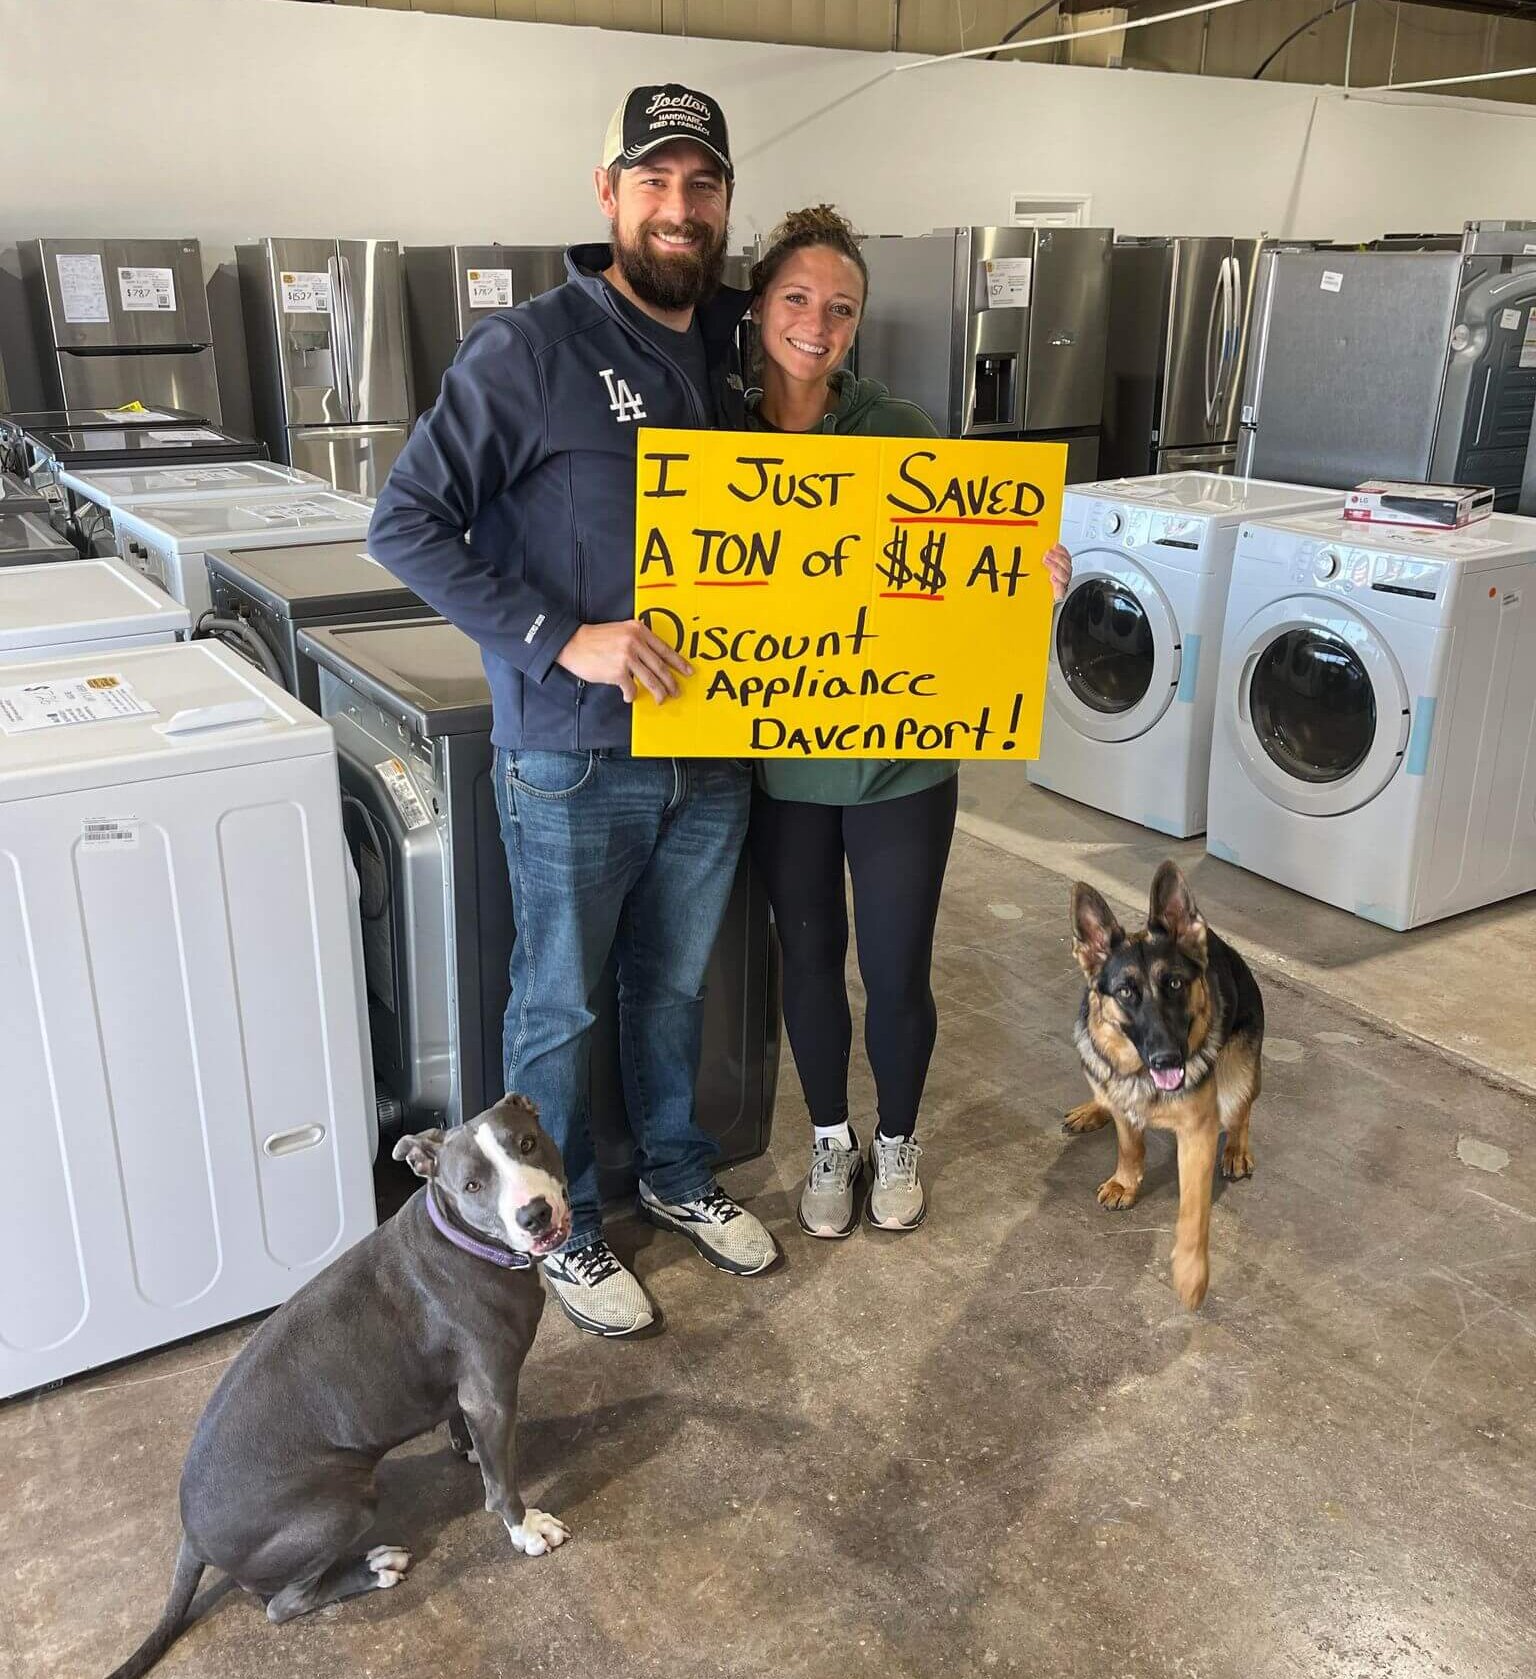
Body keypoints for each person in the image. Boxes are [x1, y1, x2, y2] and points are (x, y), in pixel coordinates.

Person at [367, 86, 777, 1341]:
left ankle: (676, 1167)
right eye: (653, 180)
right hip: (573, 756)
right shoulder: (530, 348)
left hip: (711, 746)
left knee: (673, 988)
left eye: (701, 183)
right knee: (561, 1004)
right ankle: (561, 1224)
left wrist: (997, 566)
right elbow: (405, 521)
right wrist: (564, 636)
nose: (679, 206)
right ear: (608, 194)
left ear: (724, 200)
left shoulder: (741, 348)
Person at [742, 206, 1073, 1239]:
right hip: (779, 767)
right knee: (807, 959)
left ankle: (896, 1138)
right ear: (759, 305)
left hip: (902, 763)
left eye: (841, 308)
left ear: (859, 322)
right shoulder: (711, 437)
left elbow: (966, 564)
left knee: (896, 969)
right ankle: (829, 1137)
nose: (817, 324)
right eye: (798, 298)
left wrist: (1026, 578)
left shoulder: (900, 430)